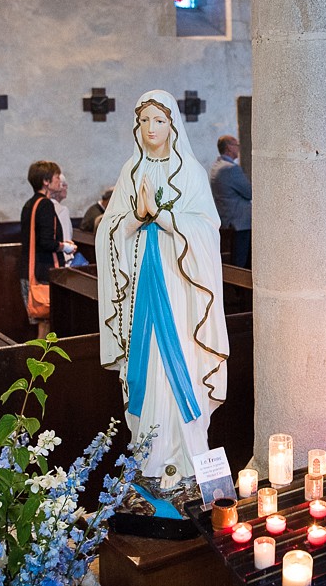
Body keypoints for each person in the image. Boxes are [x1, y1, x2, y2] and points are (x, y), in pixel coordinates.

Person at [97, 90, 228, 482]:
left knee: (183, 361)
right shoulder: (130, 171)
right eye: (143, 121)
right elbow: (109, 232)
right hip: (141, 287)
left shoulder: (190, 172)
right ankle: (150, 460)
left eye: (158, 120)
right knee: (146, 365)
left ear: (172, 125)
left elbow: (208, 228)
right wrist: (137, 218)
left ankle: (187, 459)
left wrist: (165, 217)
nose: (150, 128)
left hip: (180, 288)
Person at [21, 161, 73, 340]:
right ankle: (42, 365)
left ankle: (41, 364)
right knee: (46, 323)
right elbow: (46, 242)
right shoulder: (45, 205)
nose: (60, 180)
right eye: (57, 177)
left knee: (43, 324)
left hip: (31, 268)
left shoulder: (30, 204)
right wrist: (65, 246)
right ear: (46, 181)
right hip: (42, 271)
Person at [209, 134, 253, 268]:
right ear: (229, 147)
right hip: (239, 223)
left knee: (237, 260)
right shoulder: (231, 168)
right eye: (236, 145)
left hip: (228, 220)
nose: (238, 148)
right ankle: (240, 289)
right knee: (241, 262)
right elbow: (249, 192)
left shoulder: (216, 166)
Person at [50, 175, 85, 266]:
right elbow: (66, 238)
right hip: (61, 258)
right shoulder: (62, 210)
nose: (66, 187)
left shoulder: (43, 206)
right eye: (64, 185)